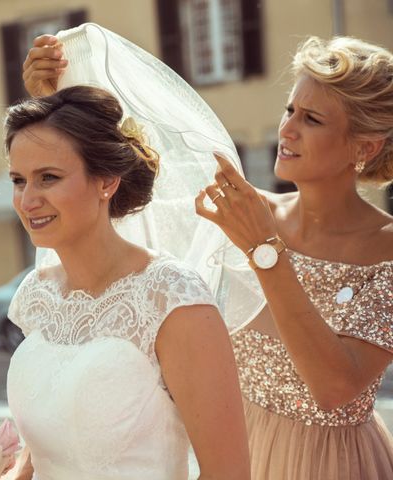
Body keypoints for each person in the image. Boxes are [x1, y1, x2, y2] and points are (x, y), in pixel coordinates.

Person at [23, 30, 393, 479]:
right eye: (290, 109)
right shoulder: (236, 206)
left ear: (365, 146)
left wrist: (264, 251)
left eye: (312, 119)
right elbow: (118, 185)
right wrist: (56, 109)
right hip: (230, 448)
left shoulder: (383, 248)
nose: (287, 129)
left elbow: (336, 388)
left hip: (331, 464)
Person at [4, 85, 250, 479]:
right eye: (19, 180)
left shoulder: (172, 299)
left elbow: (229, 472)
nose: (27, 200)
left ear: (106, 182)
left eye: (47, 178)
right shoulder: (36, 294)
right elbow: (38, 455)